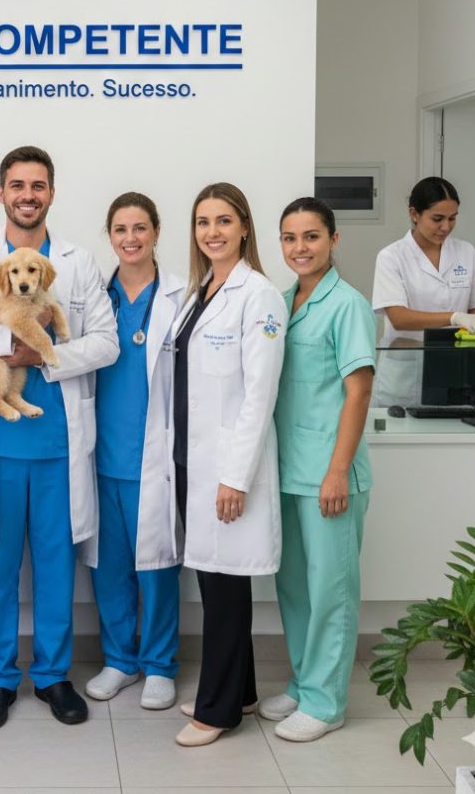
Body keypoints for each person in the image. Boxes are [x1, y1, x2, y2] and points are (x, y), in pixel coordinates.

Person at [0, 145, 119, 730]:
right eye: (17, 185)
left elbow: (107, 342)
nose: (27, 195)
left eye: (38, 185)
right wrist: (10, 346)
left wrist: (45, 358)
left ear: (51, 194)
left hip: (59, 444)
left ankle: (54, 676)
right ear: (2, 193)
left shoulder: (78, 263)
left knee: (57, 568)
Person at [171, 182, 286, 747]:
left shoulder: (258, 296)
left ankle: (216, 712)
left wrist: (235, 477)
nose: (212, 232)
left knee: (223, 591)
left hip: (226, 469)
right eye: (203, 222)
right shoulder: (203, 291)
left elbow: (259, 396)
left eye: (223, 221)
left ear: (244, 227)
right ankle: (239, 692)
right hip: (193, 462)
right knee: (218, 585)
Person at [261, 197, 375, 742]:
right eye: (290, 237)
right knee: (295, 589)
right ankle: (305, 683)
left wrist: (337, 472)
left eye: (311, 236)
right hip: (287, 470)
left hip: (329, 474)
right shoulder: (282, 303)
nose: (300, 247)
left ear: (333, 239)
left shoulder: (347, 304)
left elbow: (359, 391)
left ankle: (326, 703)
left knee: (331, 591)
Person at [84, 192, 184, 711]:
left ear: (156, 232)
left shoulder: (181, 297)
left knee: (159, 566)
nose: (130, 238)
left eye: (140, 228)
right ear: (110, 236)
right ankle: (120, 659)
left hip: (156, 456)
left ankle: (160, 664)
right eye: (121, 229)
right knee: (109, 566)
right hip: (102, 455)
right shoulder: (95, 299)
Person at [371, 176, 475, 407]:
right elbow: (399, 318)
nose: (446, 227)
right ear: (414, 214)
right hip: (406, 371)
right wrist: (455, 317)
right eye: (437, 219)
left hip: (453, 365)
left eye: (452, 218)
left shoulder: (466, 252)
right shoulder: (392, 256)